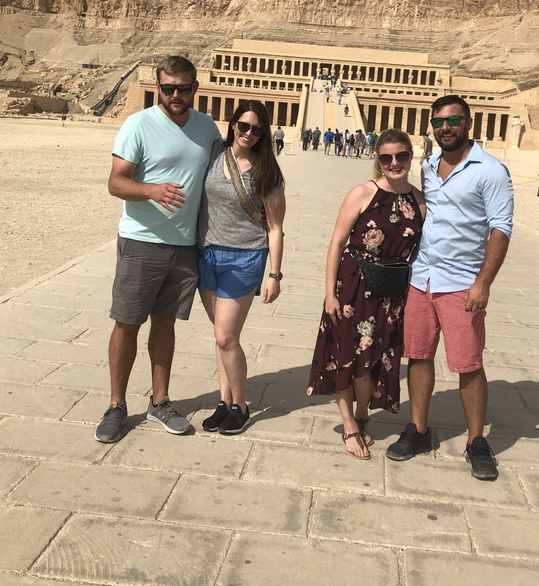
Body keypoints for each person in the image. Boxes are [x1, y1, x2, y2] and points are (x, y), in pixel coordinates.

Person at [386, 96, 514, 480]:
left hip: (462, 283)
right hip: (421, 277)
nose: (445, 127)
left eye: (453, 120)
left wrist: (483, 282)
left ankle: (477, 441)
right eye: (439, 121)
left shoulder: (491, 171)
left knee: (468, 365)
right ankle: (418, 430)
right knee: (418, 356)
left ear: (468, 123)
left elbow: (501, 228)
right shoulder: (427, 166)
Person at [95, 55, 220, 444]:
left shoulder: (206, 127)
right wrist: (151, 190)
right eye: (167, 88)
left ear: (195, 88)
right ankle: (116, 405)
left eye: (182, 88)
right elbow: (116, 182)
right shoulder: (138, 124)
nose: (175, 95)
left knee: (165, 324)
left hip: (184, 246)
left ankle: (160, 401)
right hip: (142, 242)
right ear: (157, 87)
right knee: (127, 322)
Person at [308, 129, 425, 457]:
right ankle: (349, 424)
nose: (394, 163)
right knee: (345, 352)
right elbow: (336, 244)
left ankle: (362, 413)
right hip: (354, 286)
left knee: (376, 358)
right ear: (378, 159)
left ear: (410, 156)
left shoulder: (420, 201)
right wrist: (330, 293)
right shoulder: (362, 193)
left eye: (401, 156)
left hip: (391, 293)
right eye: (386, 157)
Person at [198, 101, 286, 434]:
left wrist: (274, 275)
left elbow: (275, 228)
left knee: (226, 336)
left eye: (257, 129)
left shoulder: (267, 171)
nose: (249, 133)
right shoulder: (213, 154)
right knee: (221, 336)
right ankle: (224, 402)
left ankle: (241, 405)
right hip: (207, 254)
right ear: (233, 124)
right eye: (244, 126)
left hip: (245, 257)